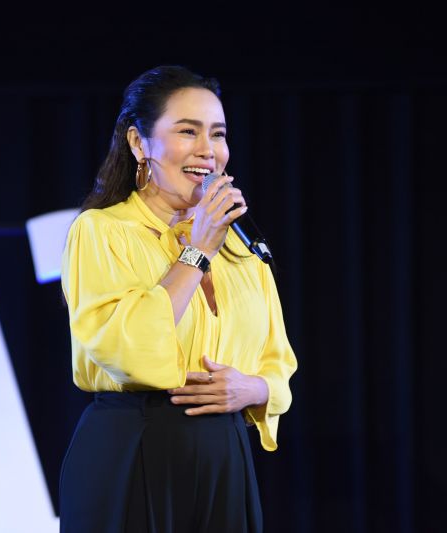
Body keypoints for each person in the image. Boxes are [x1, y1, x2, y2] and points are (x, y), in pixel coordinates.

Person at [59, 65, 297, 533]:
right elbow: (130, 350)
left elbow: (278, 362)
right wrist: (198, 251)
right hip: (134, 444)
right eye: (188, 131)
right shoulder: (102, 231)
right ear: (138, 143)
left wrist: (254, 390)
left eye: (218, 134)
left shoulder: (240, 247)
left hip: (224, 452)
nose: (208, 150)